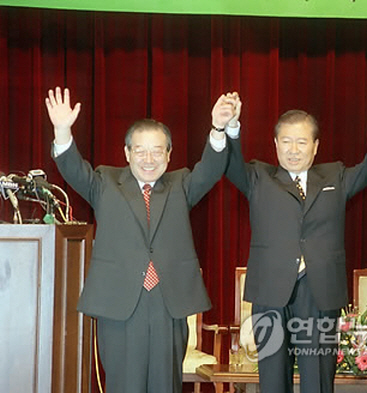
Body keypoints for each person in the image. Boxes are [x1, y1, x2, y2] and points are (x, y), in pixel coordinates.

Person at [45, 87, 233, 393]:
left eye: (157, 151)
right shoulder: (105, 182)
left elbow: (211, 168)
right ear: (127, 153)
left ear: (168, 154)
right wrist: (63, 130)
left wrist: (217, 128)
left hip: (167, 302)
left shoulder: (181, 184)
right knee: (124, 385)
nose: (149, 159)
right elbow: (73, 169)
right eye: (140, 150)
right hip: (120, 304)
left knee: (165, 385)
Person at [221, 91, 367, 393]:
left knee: (318, 376)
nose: (293, 150)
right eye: (286, 141)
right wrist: (231, 127)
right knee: (273, 377)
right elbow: (231, 163)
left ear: (315, 147)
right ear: (275, 144)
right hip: (271, 292)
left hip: (320, 290)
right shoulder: (259, 177)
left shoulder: (334, 176)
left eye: (302, 142)